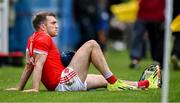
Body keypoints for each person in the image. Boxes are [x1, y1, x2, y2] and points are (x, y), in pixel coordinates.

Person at [6, 12, 161, 92]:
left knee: (103, 79)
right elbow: (38, 65)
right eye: (53, 23)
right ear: (42, 26)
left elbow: (28, 66)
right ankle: (114, 83)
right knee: (92, 44)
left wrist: (19, 88)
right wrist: (34, 89)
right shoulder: (44, 39)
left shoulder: (32, 39)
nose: (57, 25)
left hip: (62, 82)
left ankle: (144, 84)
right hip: (64, 82)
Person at [129, 0, 165, 69]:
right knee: (138, 37)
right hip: (143, 14)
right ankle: (135, 60)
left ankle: (156, 60)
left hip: (157, 15)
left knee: (154, 39)